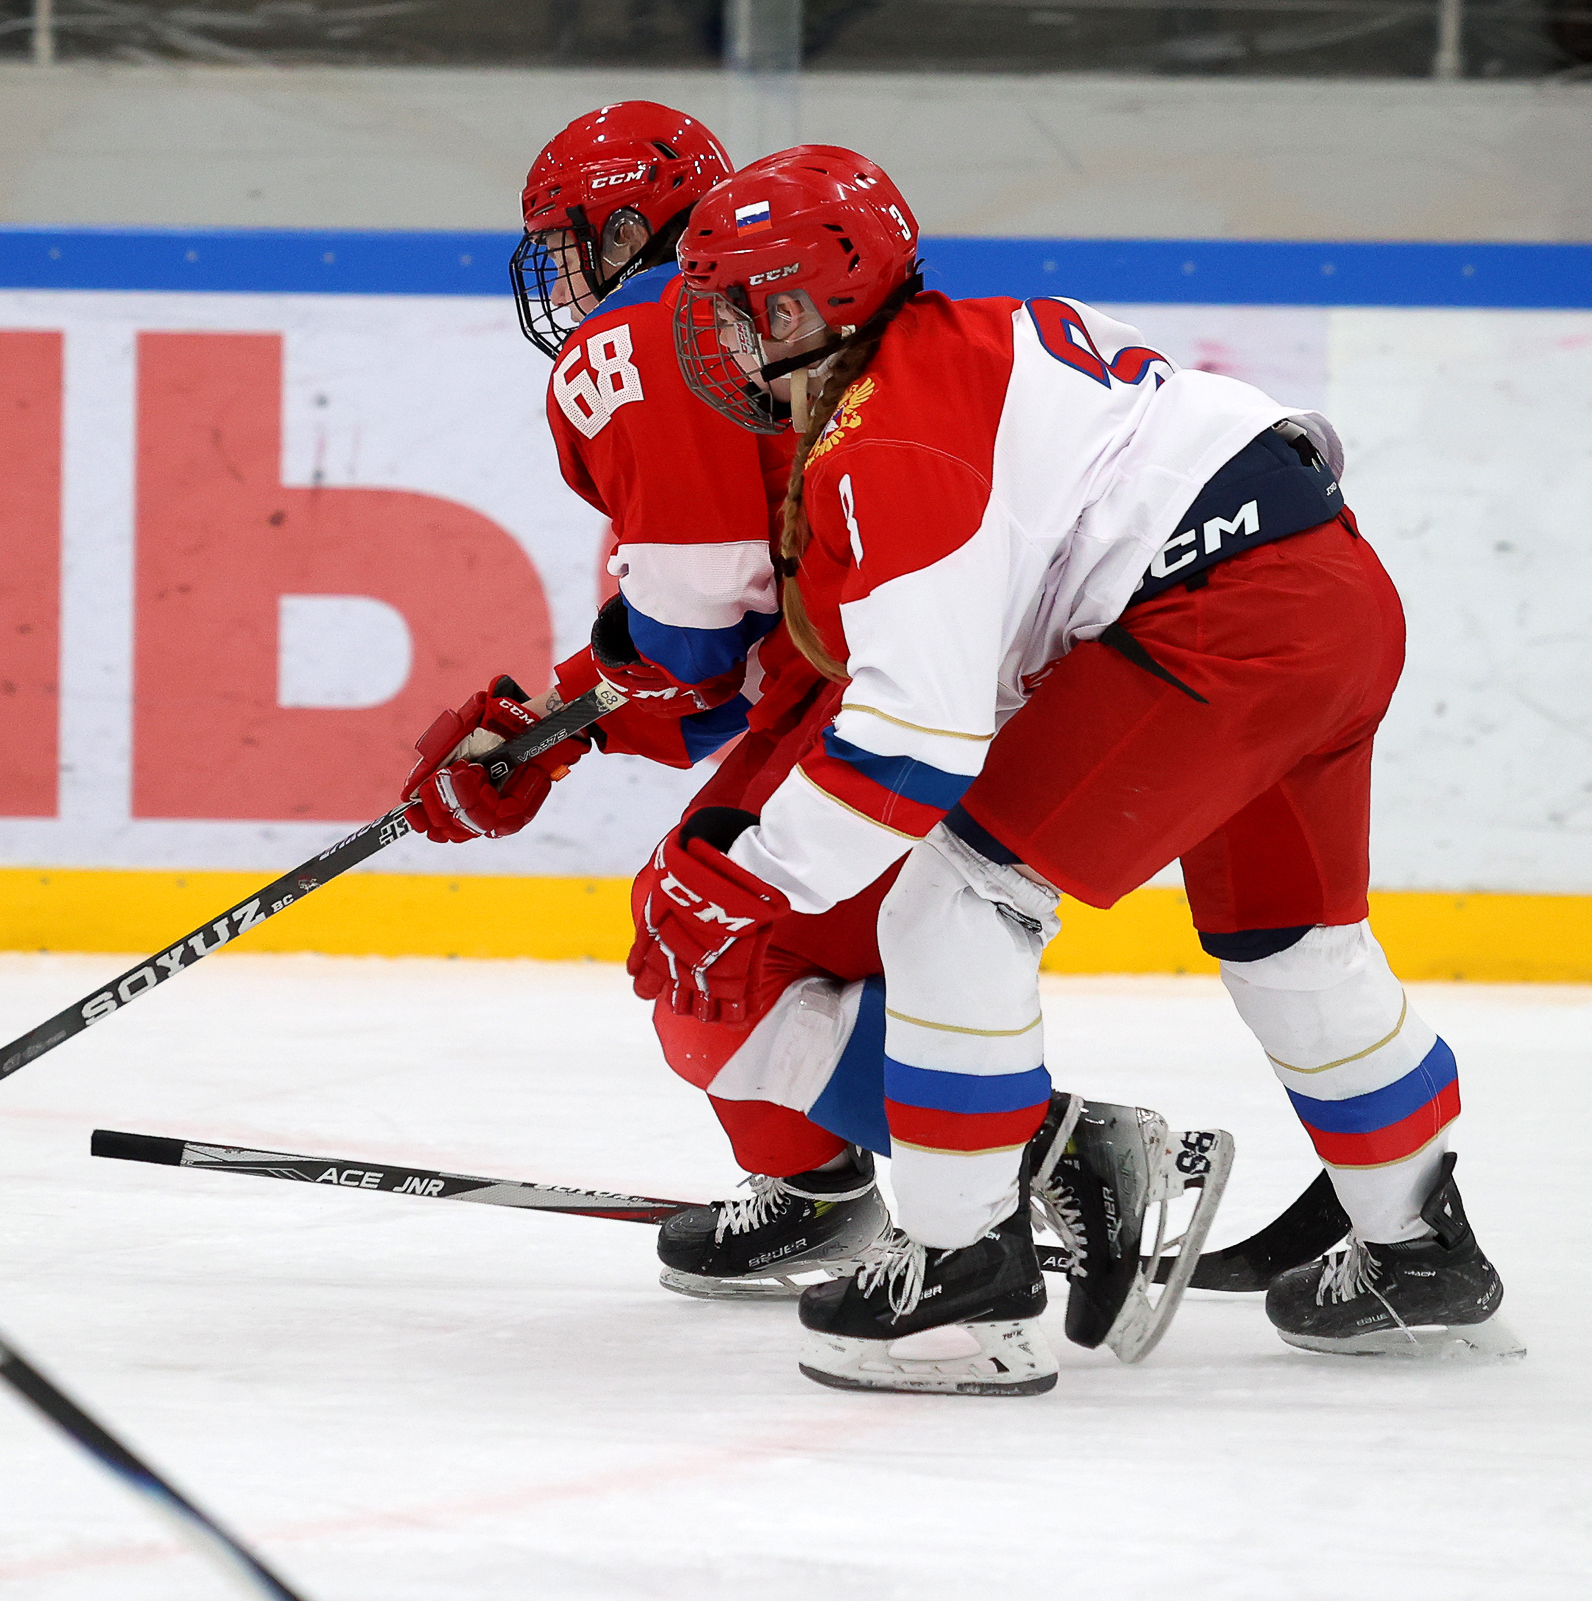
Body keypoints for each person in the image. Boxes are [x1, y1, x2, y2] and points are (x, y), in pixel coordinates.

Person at [627, 144, 1519, 1395]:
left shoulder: (886, 441)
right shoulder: (985, 332)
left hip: (1214, 625)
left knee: (954, 901)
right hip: (1332, 593)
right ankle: (1417, 1253)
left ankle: (961, 1286)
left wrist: (753, 878)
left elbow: (916, 737)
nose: (713, 339)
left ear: (798, 307)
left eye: (733, 309)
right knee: (1294, 943)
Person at [398, 106, 897, 1301]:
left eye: (568, 244)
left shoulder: (639, 334)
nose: (562, 280)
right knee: (824, 942)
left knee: (704, 937)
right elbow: (725, 662)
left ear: (629, 229)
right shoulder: (774, 319)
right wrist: (550, 725)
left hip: (887, 692)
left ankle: (1040, 1152)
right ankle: (834, 1185)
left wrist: (548, 731)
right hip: (936, 663)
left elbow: (694, 643)